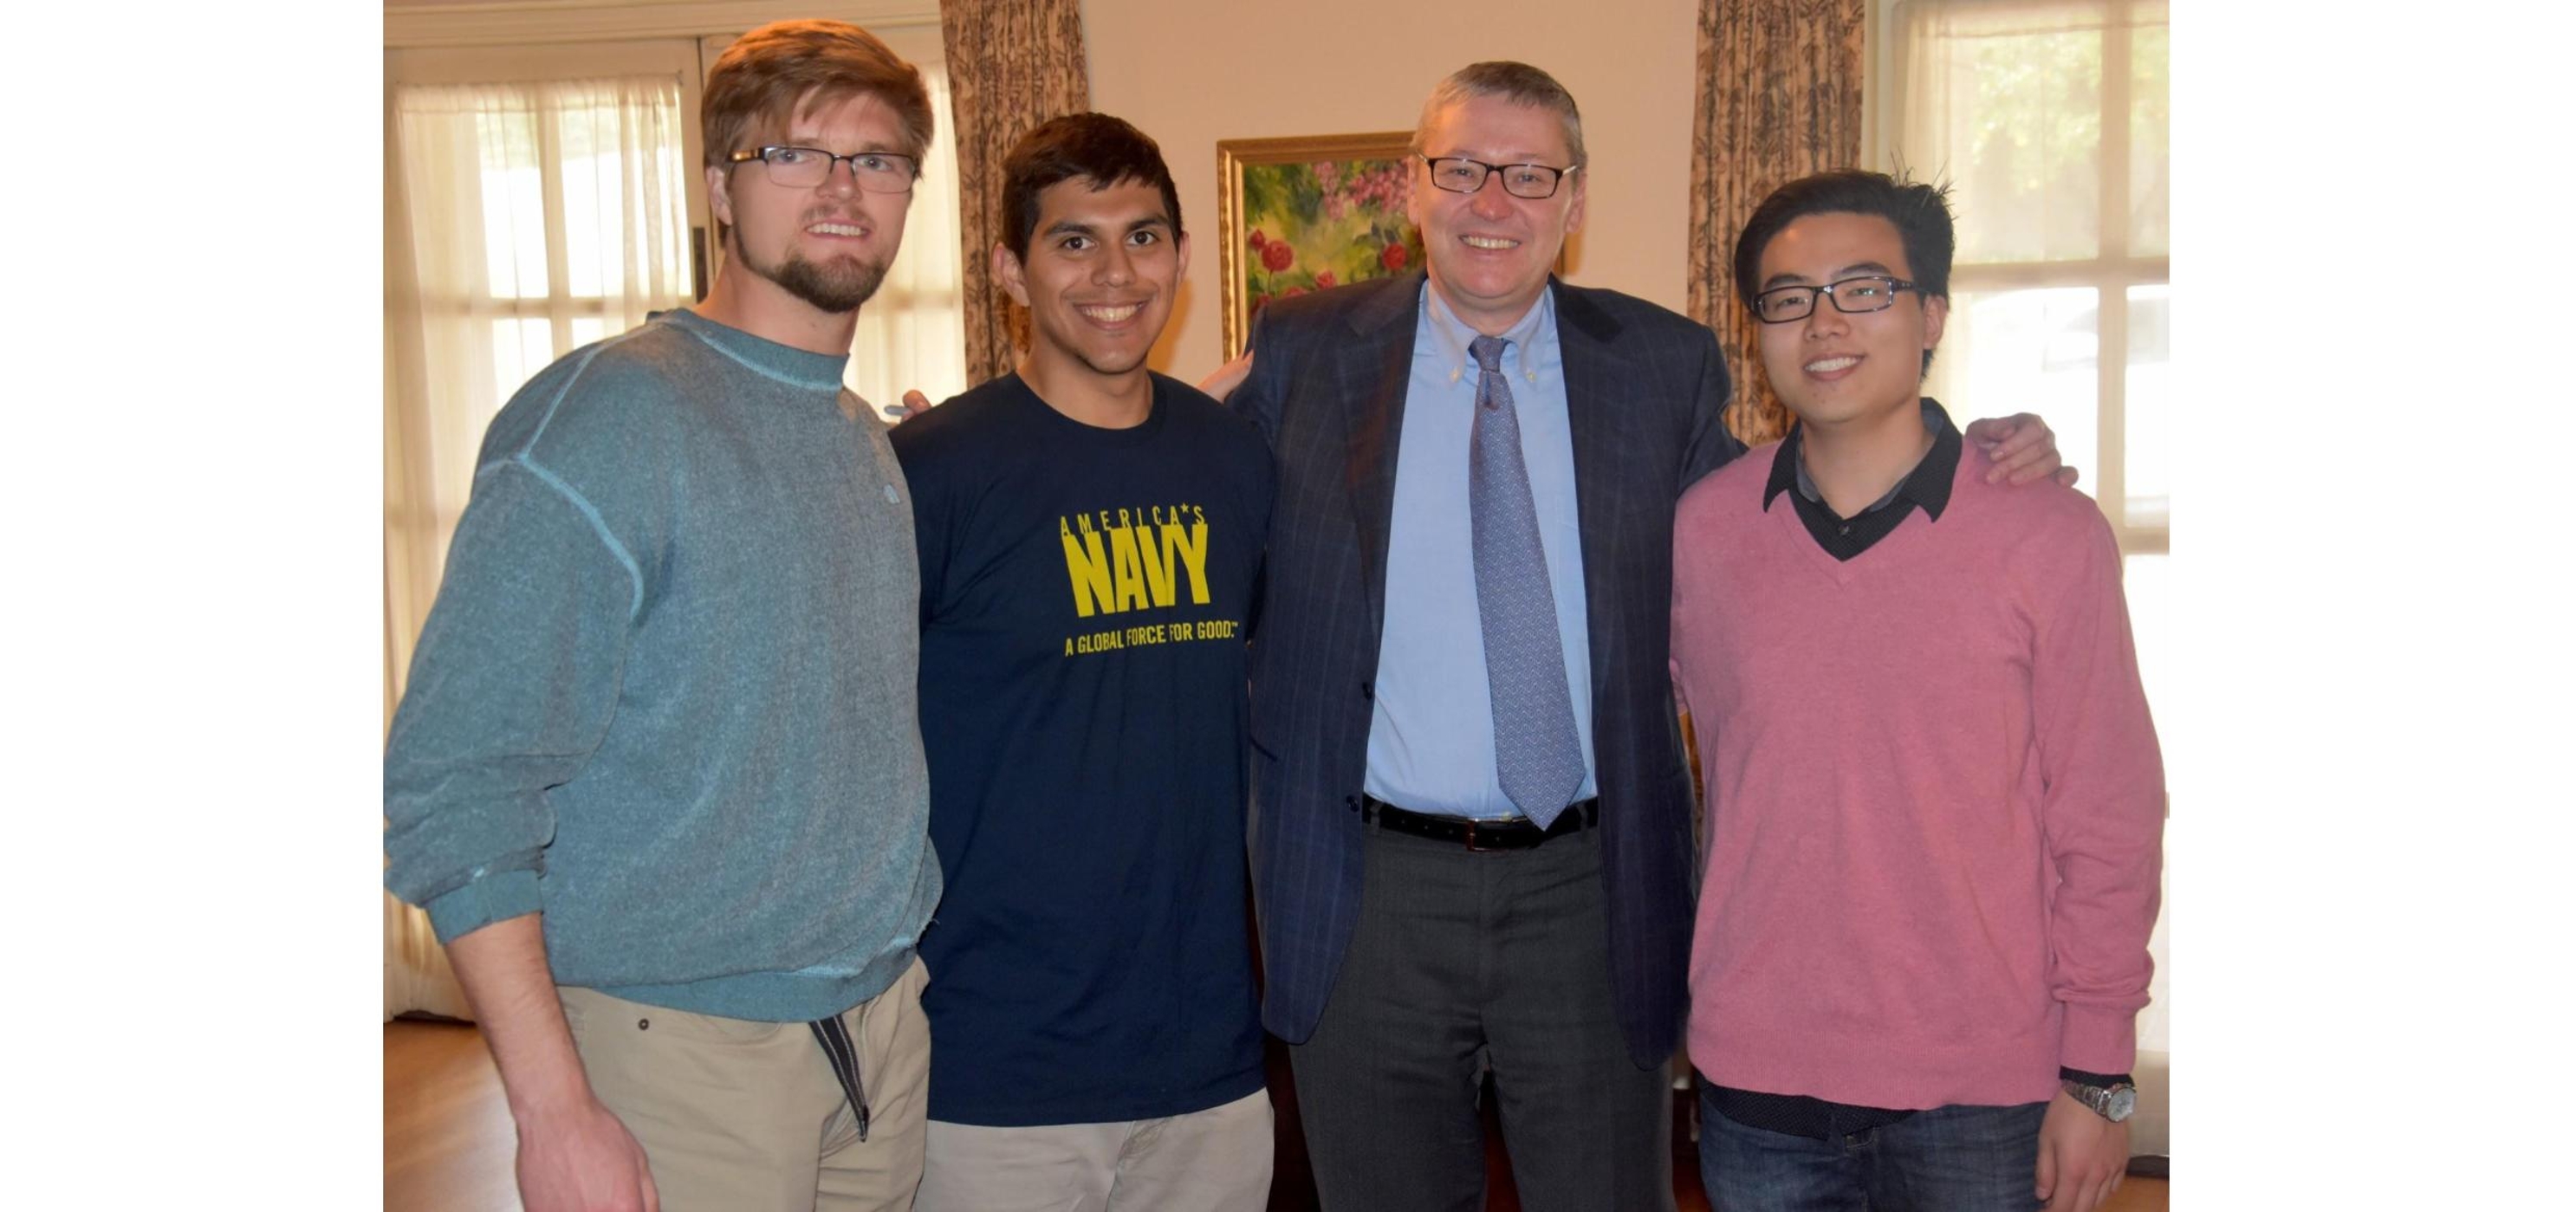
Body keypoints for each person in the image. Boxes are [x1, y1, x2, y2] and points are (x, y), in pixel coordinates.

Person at [1228, 62, 2069, 1210]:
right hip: (1366, 887)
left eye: (1531, 174)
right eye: (1462, 168)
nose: (1493, 203)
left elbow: (1792, 519)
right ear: (1411, 187)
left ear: (1574, 203)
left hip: (1590, 885)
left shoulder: (1660, 367)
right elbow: (1190, 507)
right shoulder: (1299, 352)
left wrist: (1966, 448)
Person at [382, 20, 942, 1210]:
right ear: (717, 189)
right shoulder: (611, 418)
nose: (845, 190)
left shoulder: (863, 443)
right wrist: (553, 1109)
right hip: (677, 1051)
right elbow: (454, 780)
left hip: (878, 1039)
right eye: (797, 154)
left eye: (880, 160)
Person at [1668, 168, 2163, 1212]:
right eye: (1788, 296)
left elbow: (2108, 819)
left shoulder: (2047, 534)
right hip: (1758, 1083)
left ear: (1932, 311)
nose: (1825, 322)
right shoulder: (1702, 532)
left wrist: (2100, 1072)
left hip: (1985, 1095)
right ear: (1754, 327)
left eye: (1865, 289)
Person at [888, 113, 1279, 1212]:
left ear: (1184, 257)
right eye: (1074, 242)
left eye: (1143, 237)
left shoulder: (1234, 461)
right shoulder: (932, 473)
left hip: (1207, 1063)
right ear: (1010, 268)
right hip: (992, 1070)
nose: (1116, 274)